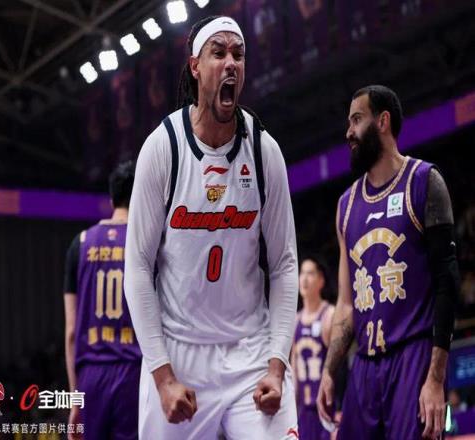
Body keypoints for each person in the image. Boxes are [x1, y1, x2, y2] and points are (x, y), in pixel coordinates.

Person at [124, 15, 299, 440]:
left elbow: (284, 264)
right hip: (180, 354)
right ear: (195, 67)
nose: (231, 63)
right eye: (218, 53)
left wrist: (277, 365)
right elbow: (138, 267)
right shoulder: (163, 147)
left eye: (238, 54)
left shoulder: (264, 151)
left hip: (250, 353)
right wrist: (163, 375)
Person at [316, 85, 460, 439]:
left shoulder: (423, 181)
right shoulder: (346, 205)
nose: (348, 132)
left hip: (413, 356)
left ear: (383, 122)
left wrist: (435, 378)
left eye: (357, 120)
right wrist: (330, 371)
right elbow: (346, 305)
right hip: (365, 365)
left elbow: (447, 282)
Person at [64, 161, 141, 440]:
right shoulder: (146, 243)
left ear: (111, 199)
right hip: (135, 372)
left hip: (91, 376)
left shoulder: (80, 243)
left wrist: (75, 399)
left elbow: (71, 332)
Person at [291, 256, 334, 440]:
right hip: (303, 411)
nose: (304, 279)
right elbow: (294, 370)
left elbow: (340, 369)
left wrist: (340, 410)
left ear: (321, 280)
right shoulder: (295, 320)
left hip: (326, 409)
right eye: (302, 273)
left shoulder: (329, 315)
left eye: (310, 273)